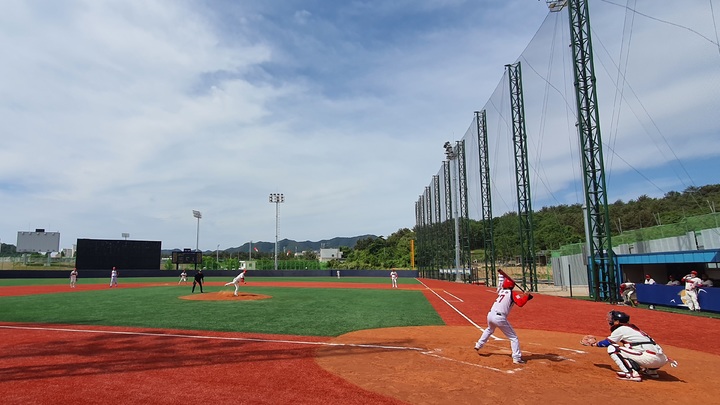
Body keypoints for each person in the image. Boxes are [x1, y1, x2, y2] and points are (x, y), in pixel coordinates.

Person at [581, 310, 676, 381]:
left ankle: (631, 374)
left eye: (612, 319)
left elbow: (608, 342)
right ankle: (651, 371)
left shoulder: (621, 329)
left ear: (617, 322)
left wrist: (594, 344)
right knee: (631, 348)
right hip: (662, 359)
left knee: (613, 348)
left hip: (650, 359)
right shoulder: (634, 329)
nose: (610, 321)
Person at [473, 274, 533, 365]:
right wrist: (526, 296)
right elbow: (520, 303)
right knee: (514, 338)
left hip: (490, 315)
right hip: (499, 317)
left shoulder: (501, 291)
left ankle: (478, 345)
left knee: (489, 329)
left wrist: (526, 297)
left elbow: (519, 300)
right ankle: (516, 358)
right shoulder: (512, 294)